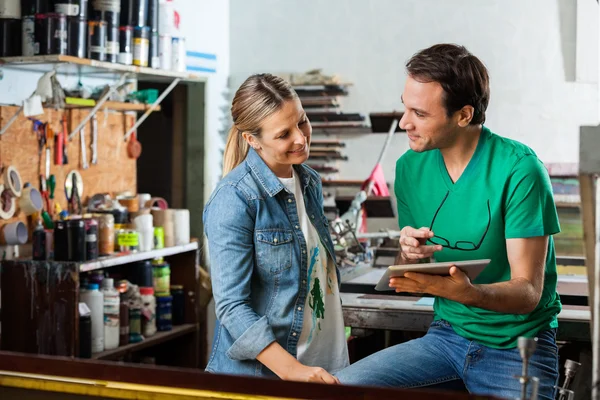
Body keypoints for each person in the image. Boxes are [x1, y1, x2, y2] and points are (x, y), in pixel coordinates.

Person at [336, 44, 561, 399]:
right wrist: (409, 255)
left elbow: (528, 294)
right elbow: (410, 271)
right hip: (445, 337)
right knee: (338, 389)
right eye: (405, 107)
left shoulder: (519, 169)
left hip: (516, 345)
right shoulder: (409, 168)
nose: (403, 123)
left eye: (419, 113)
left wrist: (468, 294)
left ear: (463, 115)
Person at [203, 73, 349, 383]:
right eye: (283, 134)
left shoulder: (309, 182)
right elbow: (231, 307)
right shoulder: (235, 198)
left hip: (322, 366)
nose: (300, 138)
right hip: (269, 377)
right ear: (252, 139)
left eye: (302, 122)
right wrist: (294, 371)